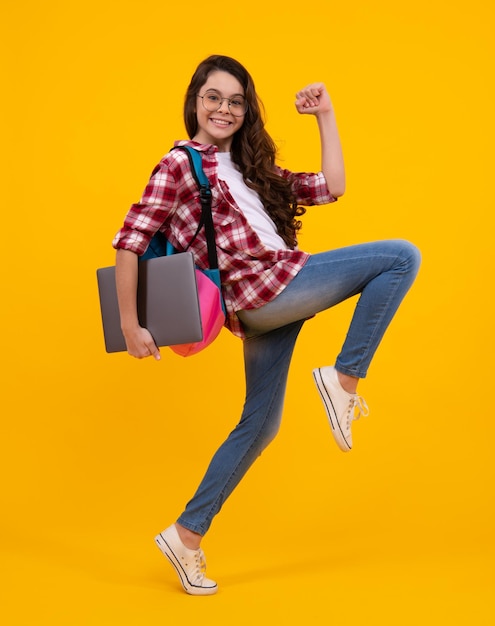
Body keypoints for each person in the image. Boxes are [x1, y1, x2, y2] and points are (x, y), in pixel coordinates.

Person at [112, 55, 421, 596]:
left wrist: (325, 115)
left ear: (246, 109)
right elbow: (130, 239)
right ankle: (344, 377)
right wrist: (130, 323)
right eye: (213, 97)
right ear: (195, 101)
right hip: (261, 289)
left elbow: (332, 186)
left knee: (259, 427)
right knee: (399, 257)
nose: (224, 109)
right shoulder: (182, 163)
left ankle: (186, 537)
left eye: (236, 101)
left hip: (269, 302)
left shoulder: (251, 168)